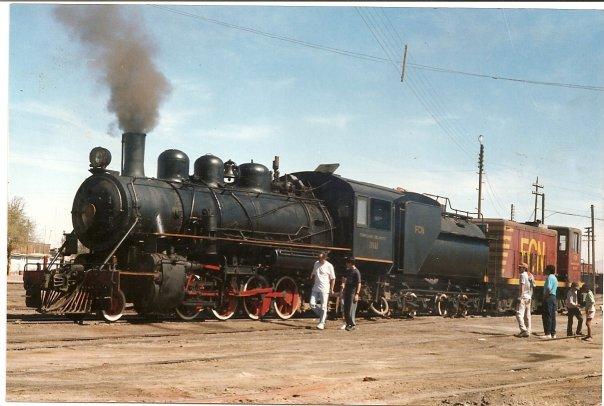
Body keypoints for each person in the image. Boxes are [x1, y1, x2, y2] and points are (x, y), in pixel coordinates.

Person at [309, 252, 335, 330]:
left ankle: (322, 323)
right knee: (312, 304)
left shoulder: (329, 266)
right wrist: (311, 278)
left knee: (324, 306)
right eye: (318, 258)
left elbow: (333, 278)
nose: (319, 259)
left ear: (324, 258)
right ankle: (323, 315)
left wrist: (331, 289)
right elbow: (313, 273)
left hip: (324, 288)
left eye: (321, 258)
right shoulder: (316, 263)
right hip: (315, 287)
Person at [340, 257, 361, 331]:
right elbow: (344, 278)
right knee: (345, 309)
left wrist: (357, 294)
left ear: (350, 263)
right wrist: (343, 285)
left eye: (347, 263)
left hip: (352, 292)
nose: (346, 264)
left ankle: (352, 324)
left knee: (350, 309)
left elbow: (359, 284)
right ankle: (348, 323)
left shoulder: (356, 272)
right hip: (347, 291)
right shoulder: (347, 271)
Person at [515, 262, 534, 338]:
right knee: (527, 315)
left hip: (523, 297)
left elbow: (522, 287)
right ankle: (528, 331)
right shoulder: (530, 275)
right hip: (529, 297)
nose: (519, 268)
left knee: (518, 314)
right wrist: (530, 295)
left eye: (520, 267)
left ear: (524, 268)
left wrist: (520, 297)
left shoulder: (522, 275)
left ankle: (523, 330)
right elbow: (533, 286)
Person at [540, 265, 558, 339]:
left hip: (549, 297)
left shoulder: (549, 277)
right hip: (553, 297)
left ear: (548, 270)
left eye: (546, 269)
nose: (544, 270)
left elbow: (548, 288)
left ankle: (547, 333)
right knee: (552, 316)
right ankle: (553, 333)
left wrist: (545, 297)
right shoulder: (555, 278)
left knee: (547, 315)